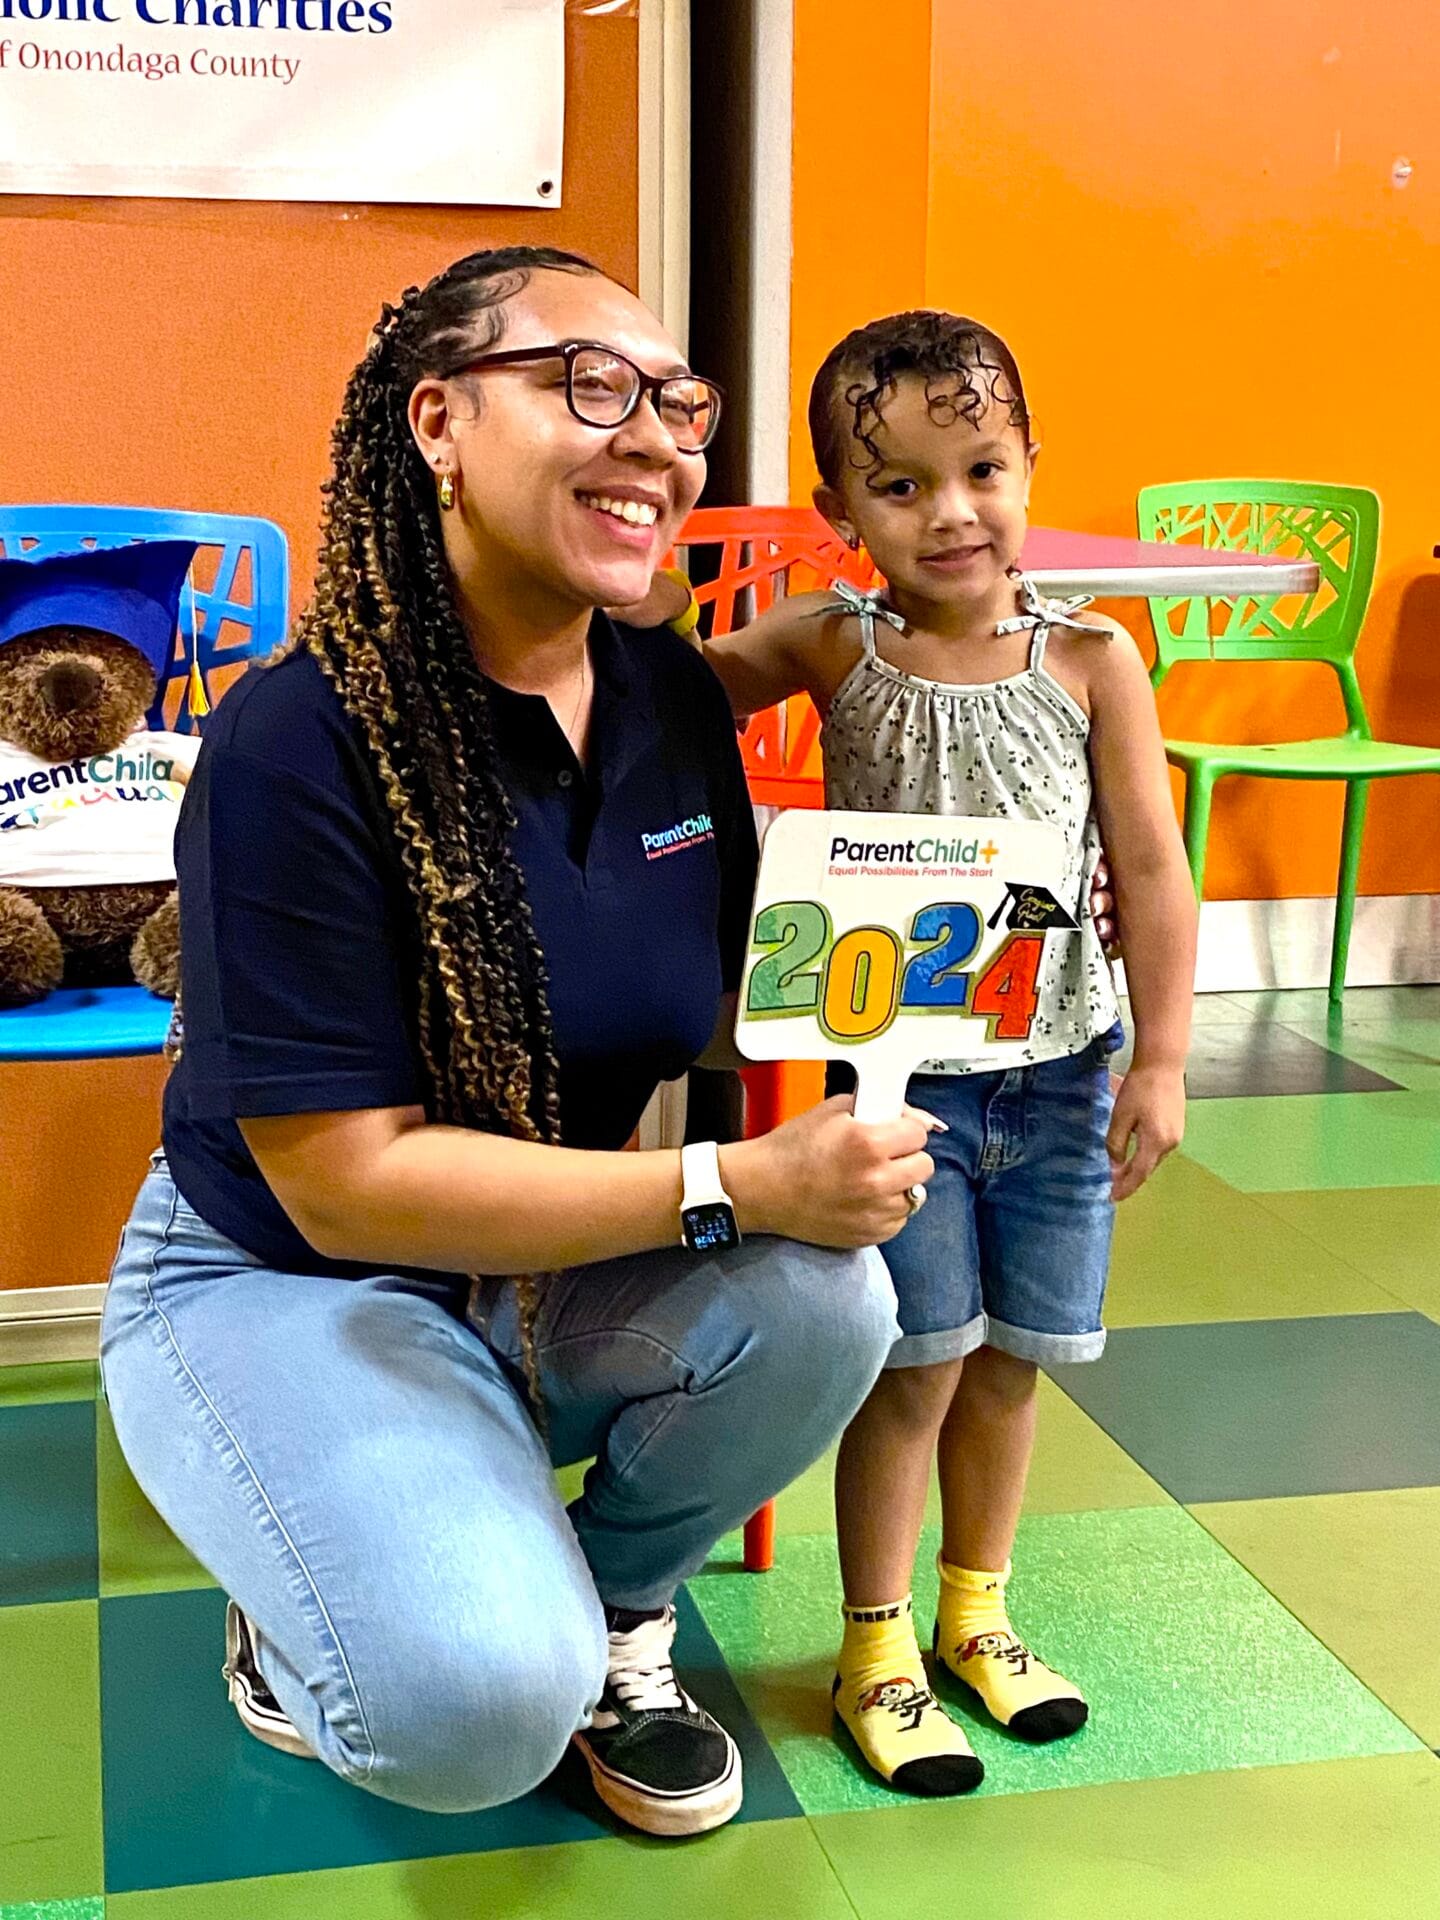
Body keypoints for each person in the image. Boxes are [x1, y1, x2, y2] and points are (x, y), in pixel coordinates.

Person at [99, 246, 938, 1840]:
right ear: (437, 422)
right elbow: (349, 1188)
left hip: (530, 1268)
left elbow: (726, 999)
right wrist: (734, 1182)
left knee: (840, 1295)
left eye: (678, 403)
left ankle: (617, 1611)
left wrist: (970, 954)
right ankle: (315, 1574)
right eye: (590, 385)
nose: (658, 439)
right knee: (470, 1715)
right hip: (287, 1277)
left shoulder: (669, 698)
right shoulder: (301, 738)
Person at [695, 309, 1197, 1795]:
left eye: (981, 466)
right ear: (839, 513)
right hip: (903, 1090)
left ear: (1033, 466)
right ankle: (876, 1645)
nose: (951, 511)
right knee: (911, 1368)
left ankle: (979, 1616)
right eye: (899, 485)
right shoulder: (831, 640)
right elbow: (669, 692)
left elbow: (1154, 870)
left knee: (1015, 1365)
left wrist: (1162, 1061)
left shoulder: (1096, 660)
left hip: (1061, 1073)